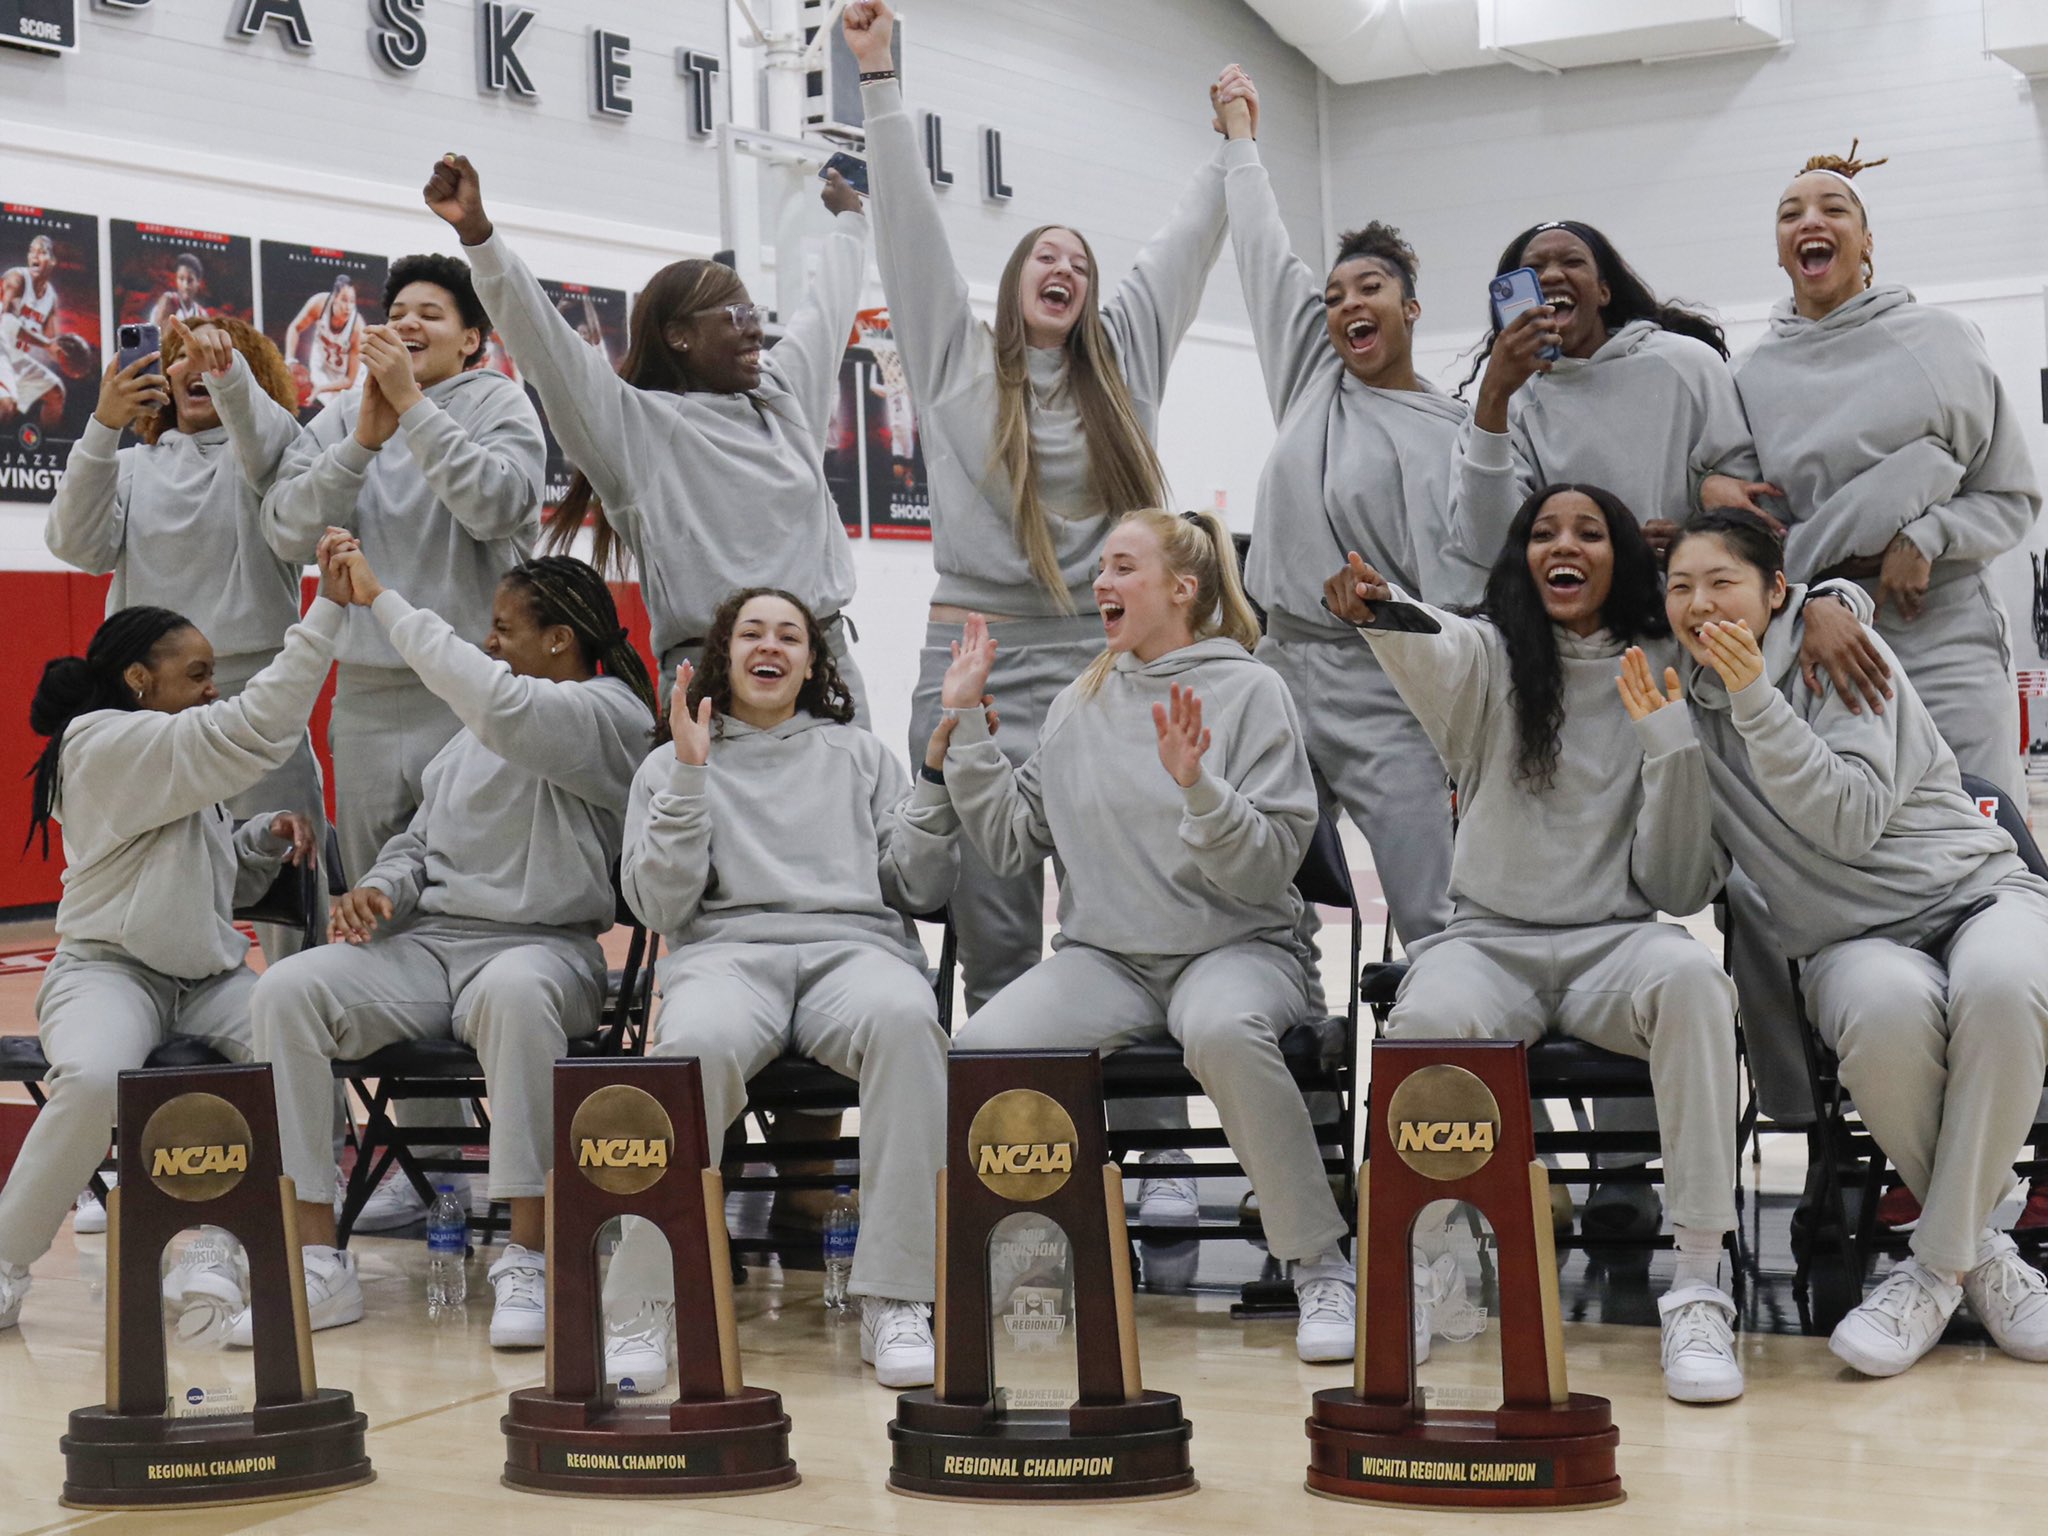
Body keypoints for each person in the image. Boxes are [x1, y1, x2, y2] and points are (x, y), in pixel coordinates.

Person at [844, 1, 1234, 1022]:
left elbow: (1189, 243)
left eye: (1079, 263)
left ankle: (1140, 1160)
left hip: (1105, 661)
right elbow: (907, 229)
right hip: (974, 656)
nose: (1061, 268)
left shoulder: (1126, 364)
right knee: (997, 926)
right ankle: (1014, 1143)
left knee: (1126, 909)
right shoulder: (954, 364)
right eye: (1042, 257)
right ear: (1013, 280)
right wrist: (878, 77)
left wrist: (1233, 141)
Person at [1322, 485, 1743, 1404]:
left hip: (1615, 946)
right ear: (1521, 558)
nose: (1566, 545)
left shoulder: (1666, 661)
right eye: (1544, 532)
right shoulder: (1490, 657)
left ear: (1622, 556)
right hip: (1490, 945)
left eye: (1590, 532)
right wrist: (1373, 604)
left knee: (1697, 986)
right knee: (1423, 1013)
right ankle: (1429, 1269)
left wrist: (1670, 743)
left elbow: (1679, 887)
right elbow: (1424, 629)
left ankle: (1702, 1284)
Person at [936, 508, 1356, 1363]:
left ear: (1182, 588)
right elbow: (1014, 838)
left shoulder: (1249, 690)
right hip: (1109, 959)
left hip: (1238, 947)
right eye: (1100, 569)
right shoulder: (1079, 697)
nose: (1101, 583)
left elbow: (1269, 861)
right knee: (983, 1047)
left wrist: (1200, 789)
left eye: (1123, 567)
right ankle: (1044, 1254)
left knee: (1219, 1028)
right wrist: (971, 725)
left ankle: (1319, 1266)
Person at [1652, 507, 2048, 1377]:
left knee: (2004, 985)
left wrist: (1757, 698)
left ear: (1777, 593)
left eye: (1723, 582)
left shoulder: (1846, 654)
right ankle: (1982, 1253)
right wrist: (1670, 754)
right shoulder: (1680, 697)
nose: (1700, 602)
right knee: (1888, 1014)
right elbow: (1680, 886)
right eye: (1681, 586)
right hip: (1850, 940)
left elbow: (1850, 818)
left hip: (1978, 891)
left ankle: (1939, 1267)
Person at [241, 548, 655, 1348]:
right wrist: (381, 887)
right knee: (286, 990)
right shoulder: (469, 738)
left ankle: (530, 1254)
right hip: (431, 950)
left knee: (517, 992)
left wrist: (384, 598)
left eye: (503, 629)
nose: (489, 644)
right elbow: (417, 842)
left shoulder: (609, 715)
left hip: (545, 949)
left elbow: (503, 706)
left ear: (562, 640)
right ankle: (316, 1255)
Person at [607, 588, 957, 1390]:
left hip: (852, 952)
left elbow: (918, 883)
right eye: (754, 633)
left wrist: (934, 780)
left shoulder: (861, 755)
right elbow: (660, 907)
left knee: (909, 1021)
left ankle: (898, 1298)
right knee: (688, 1050)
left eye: (791, 636)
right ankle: (644, 1304)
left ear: (810, 663)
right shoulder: (668, 762)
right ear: (726, 656)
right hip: (727, 958)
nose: (772, 646)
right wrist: (692, 780)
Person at [0, 532, 350, 1333]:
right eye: (196, 675)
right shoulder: (101, 741)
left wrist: (255, 841)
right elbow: (258, 727)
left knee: (289, 1043)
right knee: (91, 1079)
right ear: (137, 679)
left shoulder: (165, 750)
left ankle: (249, 1248)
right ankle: (6, 1258)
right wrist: (326, 605)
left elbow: (198, 864)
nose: (209, 689)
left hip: (207, 977)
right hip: (109, 971)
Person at [262, 254, 544, 1230]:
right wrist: (363, 434)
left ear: (474, 337)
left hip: (474, 695)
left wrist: (412, 412)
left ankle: (512, 1151)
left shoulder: (498, 407)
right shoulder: (345, 411)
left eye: (432, 313)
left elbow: (501, 507)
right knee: (378, 908)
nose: (410, 324)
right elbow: (287, 525)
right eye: (398, 313)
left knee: (483, 910)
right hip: (373, 696)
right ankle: (431, 1166)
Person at [422, 152, 871, 713]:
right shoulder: (635, 429)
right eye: (734, 316)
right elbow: (547, 347)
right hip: (715, 679)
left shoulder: (783, 397)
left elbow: (828, 308)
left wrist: (853, 219)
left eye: (753, 312)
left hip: (821, 663)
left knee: (857, 802)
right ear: (679, 336)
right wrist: (479, 236)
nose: (755, 328)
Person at [1212, 71, 1466, 955]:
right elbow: (1260, 253)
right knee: (1244, 906)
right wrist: (1241, 138)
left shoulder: (1459, 433)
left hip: (1388, 684)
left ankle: (1485, 1084)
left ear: (1409, 308)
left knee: (1434, 916)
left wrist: (1388, 599)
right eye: (1334, 296)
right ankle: (1305, 1082)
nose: (1348, 304)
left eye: (1369, 289)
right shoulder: (1312, 377)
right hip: (1277, 668)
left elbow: (1463, 592)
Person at [1734, 145, 2039, 806]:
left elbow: (2011, 495)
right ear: (1780, 250)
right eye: (1791, 214)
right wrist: (1810, 603)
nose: (1809, 220)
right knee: (1857, 840)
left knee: (1983, 816)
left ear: (1867, 240)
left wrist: (1927, 536)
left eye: (1832, 208)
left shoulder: (1943, 341)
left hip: (1941, 620)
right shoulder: (1748, 376)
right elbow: (1751, 532)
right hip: (1819, 633)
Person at [46, 316, 326, 966]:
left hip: (258, 709)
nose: (193, 365)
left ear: (247, 372)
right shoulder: (131, 467)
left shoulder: (277, 460)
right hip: (148, 717)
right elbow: (73, 544)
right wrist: (102, 423)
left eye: (215, 355)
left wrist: (231, 382)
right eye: (179, 356)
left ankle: (311, 1057)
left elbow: (270, 449)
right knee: (149, 894)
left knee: (295, 906)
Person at [284, 275, 365, 406]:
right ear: (334, 297)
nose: (348, 307)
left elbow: (349, 380)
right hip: (321, 365)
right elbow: (295, 328)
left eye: (352, 301)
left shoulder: (357, 329)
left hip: (349, 379)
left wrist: (321, 389)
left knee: (349, 415)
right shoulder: (319, 304)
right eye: (344, 300)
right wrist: (289, 360)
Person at [150, 251, 210, 331]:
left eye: (190, 280)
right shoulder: (168, 300)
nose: (185, 285)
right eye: (181, 279)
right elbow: (160, 335)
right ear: (176, 279)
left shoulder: (202, 313)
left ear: (198, 283)